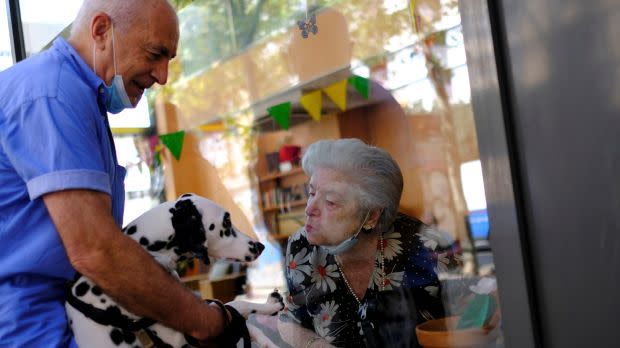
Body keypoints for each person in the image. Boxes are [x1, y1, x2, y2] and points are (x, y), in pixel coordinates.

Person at [0, 1, 231, 346]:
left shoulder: (74, 94)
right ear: (101, 31)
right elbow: (97, 251)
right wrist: (206, 321)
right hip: (29, 328)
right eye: (155, 53)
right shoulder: (53, 94)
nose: (162, 76)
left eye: (169, 60)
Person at [277, 139, 450, 347]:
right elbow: (289, 318)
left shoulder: (423, 243)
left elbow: (476, 302)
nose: (309, 209)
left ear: (371, 217)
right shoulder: (301, 247)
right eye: (311, 193)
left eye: (330, 202)